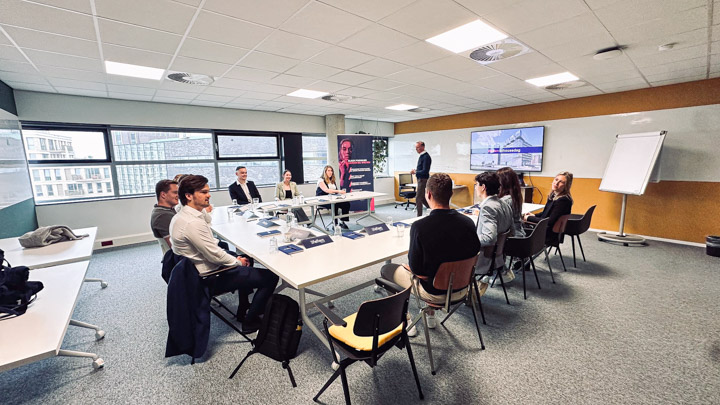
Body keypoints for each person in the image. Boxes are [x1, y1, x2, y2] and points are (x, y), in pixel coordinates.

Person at [170, 175, 278, 333]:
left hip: (199, 269)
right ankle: (250, 321)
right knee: (270, 277)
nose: (209, 195)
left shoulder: (185, 214)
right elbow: (214, 255)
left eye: (208, 191)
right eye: (203, 192)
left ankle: (244, 308)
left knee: (244, 258)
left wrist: (237, 259)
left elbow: (207, 223)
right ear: (188, 196)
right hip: (208, 277)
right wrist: (238, 261)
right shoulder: (192, 223)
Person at [380, 173, 480, 329]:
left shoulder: (420, 227)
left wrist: (409, 268)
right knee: (432, 271)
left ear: (428, 194)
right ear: (451, 194)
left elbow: (416, 268)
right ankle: (429, 315)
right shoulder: (468, 223)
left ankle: (403, 319)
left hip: (435, 292)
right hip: (463, 289)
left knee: (387, 269)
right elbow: (474, 254)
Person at [473, 172, 514, 287]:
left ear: (483, 187)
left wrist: (469, 239)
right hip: (499, 257)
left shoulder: (487, 207)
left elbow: (489, 238)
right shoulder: (505, 203)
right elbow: (512, 231)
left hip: (483, 258)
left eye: (477, 185)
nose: (476, 187)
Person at [523, 171, 573, 246]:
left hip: (548, 234)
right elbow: (546, 213)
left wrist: (528, 218)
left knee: (518, 227)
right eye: (556, 180)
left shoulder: (563, 201)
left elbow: (549, 221)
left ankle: (523, 253)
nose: (556, 183)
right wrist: (534, 216)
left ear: (566, 186)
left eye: (561, 182)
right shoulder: (553, 196)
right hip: (546, 229)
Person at [316, 165, 350, 230]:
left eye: (331, 171)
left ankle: (342, 221)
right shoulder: (320, 180)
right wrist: (339, 191)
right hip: (322, 200)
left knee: (346, 203)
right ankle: (335, 224)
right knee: (335, 205)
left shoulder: (332, 180)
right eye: (328, 170)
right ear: (325, 172)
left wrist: (341, 195)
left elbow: (335, 192)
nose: (330, 172)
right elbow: (326, 190)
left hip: (333, 199)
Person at [497, 167, 525, 238]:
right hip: (520, 233)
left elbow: (499, 222)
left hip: (511, 238)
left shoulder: (504, 201)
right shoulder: (515, 196)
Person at [150, 179, 178, 248]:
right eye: (175, 193)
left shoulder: (165, 211)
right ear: (163, 195)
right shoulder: (163, 216)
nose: (178, 195)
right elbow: (176, 247)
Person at [410, 141, 431, 217]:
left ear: (423, 147)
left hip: (423, 179)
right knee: (422, 198)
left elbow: (425, 171)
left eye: (418, 147)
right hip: (420, 179)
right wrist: (416, 171)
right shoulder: (422, 156)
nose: (416, 149)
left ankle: (419, 217)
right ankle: (432, 209)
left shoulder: (426, 157)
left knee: (418, 198)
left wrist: (415, 171)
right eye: (416, 148)